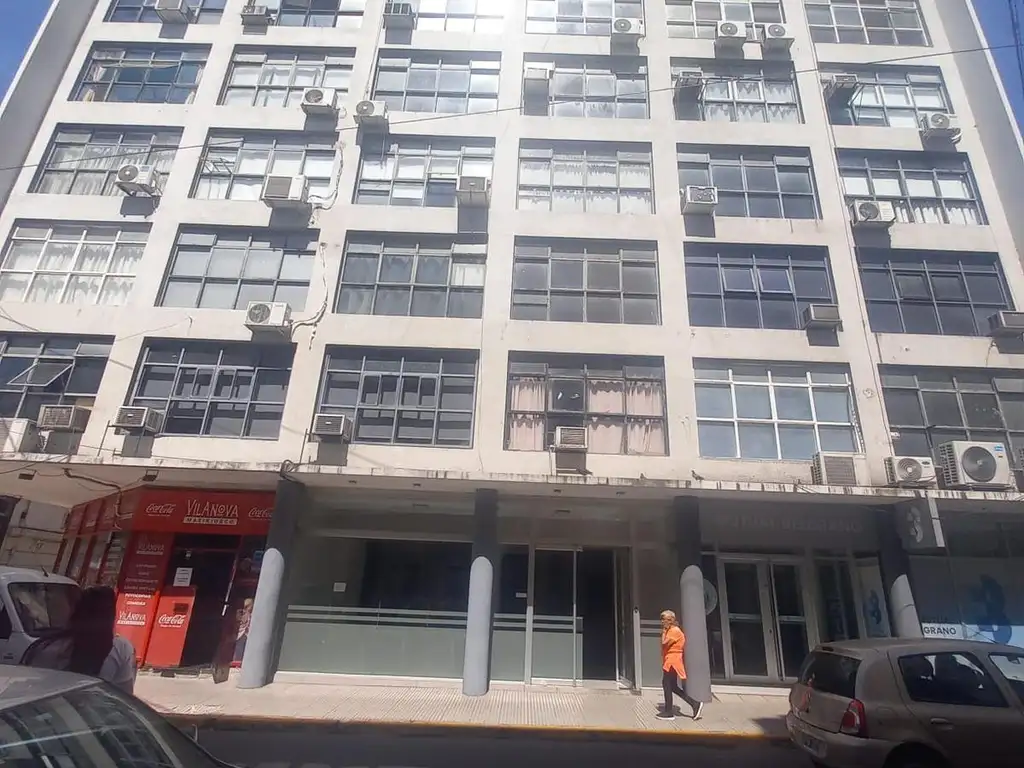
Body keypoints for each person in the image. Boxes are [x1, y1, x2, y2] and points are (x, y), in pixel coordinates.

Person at [21, 585, 137, 694]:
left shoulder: (48, 646)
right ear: (111, 616)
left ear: (76, 612)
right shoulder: (121, 648)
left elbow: (32, 688)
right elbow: (125, 694)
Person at [657, 609, 703, 721]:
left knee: (666, 684)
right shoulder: (670, 630)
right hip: (670, 660)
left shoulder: (674, 631)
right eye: (662, 619)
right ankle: (695, 704)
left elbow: (664, 643)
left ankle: (669, 712)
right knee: (672, 686)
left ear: (671, 620)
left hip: (673, 661)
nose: (662, 621)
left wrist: (664, 631)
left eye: (664, 619)